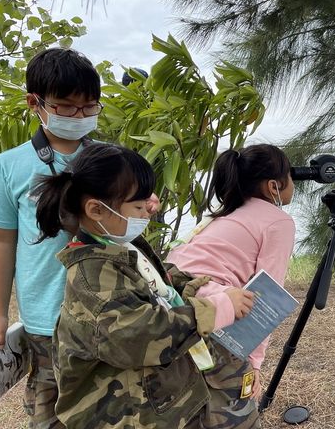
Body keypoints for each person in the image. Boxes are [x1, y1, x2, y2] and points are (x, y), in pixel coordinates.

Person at [32, 142, 256, 429]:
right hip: (122, 412)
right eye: (138, 205)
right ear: (96, 210)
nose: (150, 209)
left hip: (156, 395)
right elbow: (137, 336)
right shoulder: (91, 276)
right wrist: (213, 310)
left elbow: (157, 285)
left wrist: (195, 287)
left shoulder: (120, 244)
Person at [0, 47, 104, 428]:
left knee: (109, 406)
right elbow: (0, 241)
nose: (79, 116)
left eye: (90, 107)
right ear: (35, 102)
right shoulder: (9, 165)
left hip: (108, 311)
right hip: (46, 317)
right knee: (49, 412)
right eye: (67, 107)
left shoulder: (109, 160)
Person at [167, 143, 296, 415]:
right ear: (274, 186)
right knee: (235, 413)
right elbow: (267, 297)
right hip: (210, 301)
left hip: (170, 293)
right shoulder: (278, 221)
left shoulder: (227, 212)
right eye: (290, 177)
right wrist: (253, 365)